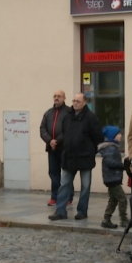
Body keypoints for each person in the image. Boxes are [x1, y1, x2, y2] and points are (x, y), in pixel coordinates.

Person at [48, 93, 102, 221]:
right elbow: (65, 134)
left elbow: (98, 137)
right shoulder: (68, 117)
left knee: (85, 186)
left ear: (84, 102)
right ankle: (60, 211)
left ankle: (82, 211)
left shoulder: (91, 118)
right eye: (74, 101)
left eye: (78, 101)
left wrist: (90, 150)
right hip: (69, 157)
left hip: (85, 158)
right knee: (64, 184)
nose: (75, 103)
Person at [40, 90, 72, 206]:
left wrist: (57, 141)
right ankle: (55, 196)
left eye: (59, 96)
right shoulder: (48, 113)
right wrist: (50, 141)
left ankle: (68, 197)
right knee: (53, 173)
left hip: (64, 148)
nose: (56, 98)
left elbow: (68, 129)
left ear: (64, 98)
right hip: (51, 149)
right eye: (55, 96)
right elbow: (42, 129)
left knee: (67, 173)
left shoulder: (69, 112)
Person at [98, 126, 129, 229]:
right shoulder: (111, 148)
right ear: (113, 136)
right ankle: (123, 220)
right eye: (118, 133)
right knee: (122, 199)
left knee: (113, 200)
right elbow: (109, 161)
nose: (121, 135)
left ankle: (106, 219)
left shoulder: (111, 147)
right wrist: (122, 166)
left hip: (112, 178)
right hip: (112, 179)